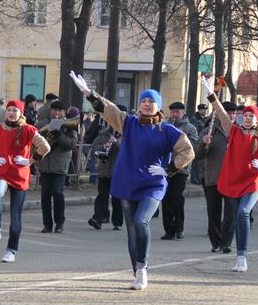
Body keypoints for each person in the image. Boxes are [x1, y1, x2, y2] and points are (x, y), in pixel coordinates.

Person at [70, 72, 193, 290]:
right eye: (143, 101)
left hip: (153, 184)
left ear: (158, 105)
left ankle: (143, 266)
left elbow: (187, 151)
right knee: (132, 233)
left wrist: (169, 169)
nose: (146, 104)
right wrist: (90, 94)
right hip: (128, 182)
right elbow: (109, 110)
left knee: (141, 221)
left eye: (151, 101)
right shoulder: (129, 123)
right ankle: (137, 271)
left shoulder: (168, 130)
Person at [201, 77, 258, 273]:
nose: (247, 118)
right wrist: (211, 95)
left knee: (243, 213)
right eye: (245, 116)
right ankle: (237, 254)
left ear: (257, 119)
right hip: (232, 182)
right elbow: (222, 113)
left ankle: (242, 256)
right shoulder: (234, 131)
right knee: (234, 215)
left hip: (252, 182)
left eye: (251, 116)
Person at [0, 100, 51, 262]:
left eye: (15, 110)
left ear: (20, 113)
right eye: (9, 110)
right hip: (2, 172)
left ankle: (11, 251)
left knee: (16, 215)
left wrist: (29, 161)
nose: (11, 113)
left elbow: (45, 147)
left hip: (20, 176)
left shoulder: (28, 130)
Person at [197, 102, 236, 253]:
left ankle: (226, 242)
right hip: (213, 176)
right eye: (228, 113)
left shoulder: (238, 131)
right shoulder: (210, 130)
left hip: (232, 179)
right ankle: (216, 241)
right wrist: (203, 143)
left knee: (231, 212)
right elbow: (199, 154)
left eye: (233, 113)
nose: (231, 116)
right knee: (213, 211)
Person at [35, 100, 77, 233]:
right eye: (55, 110)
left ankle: (59, 223)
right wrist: (46, 137)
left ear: (64, 113)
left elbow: (71, 144)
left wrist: (60, 135)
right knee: (45, 196)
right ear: (51, 111)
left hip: (60, 165)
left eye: (60, 111)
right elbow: (33, 142)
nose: (57, 113)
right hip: (44, 165)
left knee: (58, 193)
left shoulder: (69, 125)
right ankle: (47, 224)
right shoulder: (42, 124)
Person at [161, 102, 198, 240]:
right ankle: (168, 230)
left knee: (177, 197)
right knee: (166, 198)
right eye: (172, 112)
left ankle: (179, 228)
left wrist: (181, 138)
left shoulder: (190, 128)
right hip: (165, 167)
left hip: (181, 168)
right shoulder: (165, 126)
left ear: (183, 113)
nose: (174, 114)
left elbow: (193, 146)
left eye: (177, 112)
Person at [88, 111, 124, 230]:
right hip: (104, 170)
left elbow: (127, 150)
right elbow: (94, 148)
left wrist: (117, 143)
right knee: (102, 196)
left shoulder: (126, 134)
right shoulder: (103, 133)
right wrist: (103, 146)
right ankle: (97, 219)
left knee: (116, 197)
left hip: (118, 171)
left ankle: (117, 222)